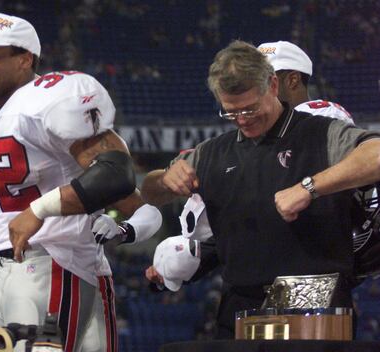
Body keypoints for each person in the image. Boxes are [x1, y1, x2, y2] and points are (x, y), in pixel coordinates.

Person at [0, 13, 161, 352]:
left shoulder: (50, 100)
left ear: (24, 59)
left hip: (52, 260)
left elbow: (116, 172)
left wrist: (39, 209)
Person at [141, 40, 380, 339]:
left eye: (251, 108)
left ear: (273, 85)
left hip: (313, 298)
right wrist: (166, 179)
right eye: (231, 113)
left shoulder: (321, 133)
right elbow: (149, 192)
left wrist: (310, 186)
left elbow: (376, 154)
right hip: (238, 303)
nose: (242, 119)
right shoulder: (212, 153)